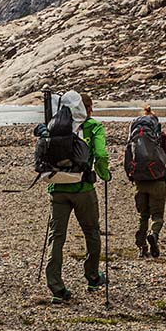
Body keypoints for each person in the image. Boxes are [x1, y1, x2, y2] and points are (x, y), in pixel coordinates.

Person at [44, 90, 110, 300]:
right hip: (83, 189)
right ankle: (92, 277)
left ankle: (56, 286)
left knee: (57, 237)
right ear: (88, 109)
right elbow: (100, 154)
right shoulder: (93, 126)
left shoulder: (54, 125)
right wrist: (103, 173)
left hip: (57, 189)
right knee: (91, 231)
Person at [126, 105, 166, 259]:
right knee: (157, 215)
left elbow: (128, 158)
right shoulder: (162, 137)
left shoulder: (135, 136)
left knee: (143, 216)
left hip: (139, 181)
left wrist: (131, 176)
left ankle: (142, 248)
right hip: (158, 180)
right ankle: (154, 234)